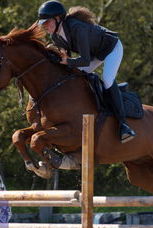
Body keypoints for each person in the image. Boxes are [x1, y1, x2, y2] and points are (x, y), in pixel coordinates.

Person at [37, 0, 135, 143]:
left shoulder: (77, 28)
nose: (44, 26)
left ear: (58, 19)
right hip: (94, 53)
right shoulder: (55, 37)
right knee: (71, 76)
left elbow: (85, 60)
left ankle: (123, 124)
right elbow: (68, 60)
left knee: (107, 79)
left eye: (47, 22)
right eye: (43, 23)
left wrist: (67, 62)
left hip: (111, 47)